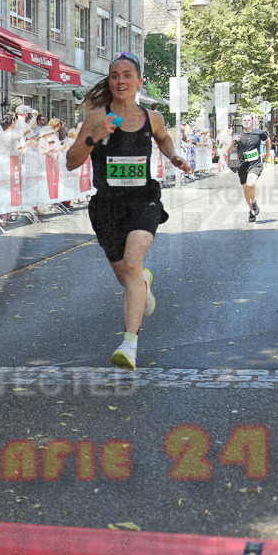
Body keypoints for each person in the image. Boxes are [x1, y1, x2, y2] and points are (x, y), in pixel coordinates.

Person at [66, 52, 191, 370]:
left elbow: (163, 140)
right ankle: (142, 284)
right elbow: (71, 161)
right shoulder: (97, 116)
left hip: (143, 201)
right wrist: (96, 136)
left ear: (139, 81)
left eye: (127, 75)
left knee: (134, 262)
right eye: (115, 76)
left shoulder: (153, 118)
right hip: (107, 205)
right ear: (110, 82)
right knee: (129, 277)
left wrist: (174, 157)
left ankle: (129, 345)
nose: (120, 80)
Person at [226, 113, 272, 223]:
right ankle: (251, 210)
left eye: (249, 120)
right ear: (242, 122)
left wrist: (267, 154)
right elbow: (229, 151)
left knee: (251, 182)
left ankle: (254, 201)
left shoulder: (259, 133)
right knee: (246, 189)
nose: (246, 122)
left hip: (255, 164)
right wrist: (233, 141)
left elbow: (268, 140)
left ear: (252, 122)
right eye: (244, 120)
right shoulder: (238, 135)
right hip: (243, 166)